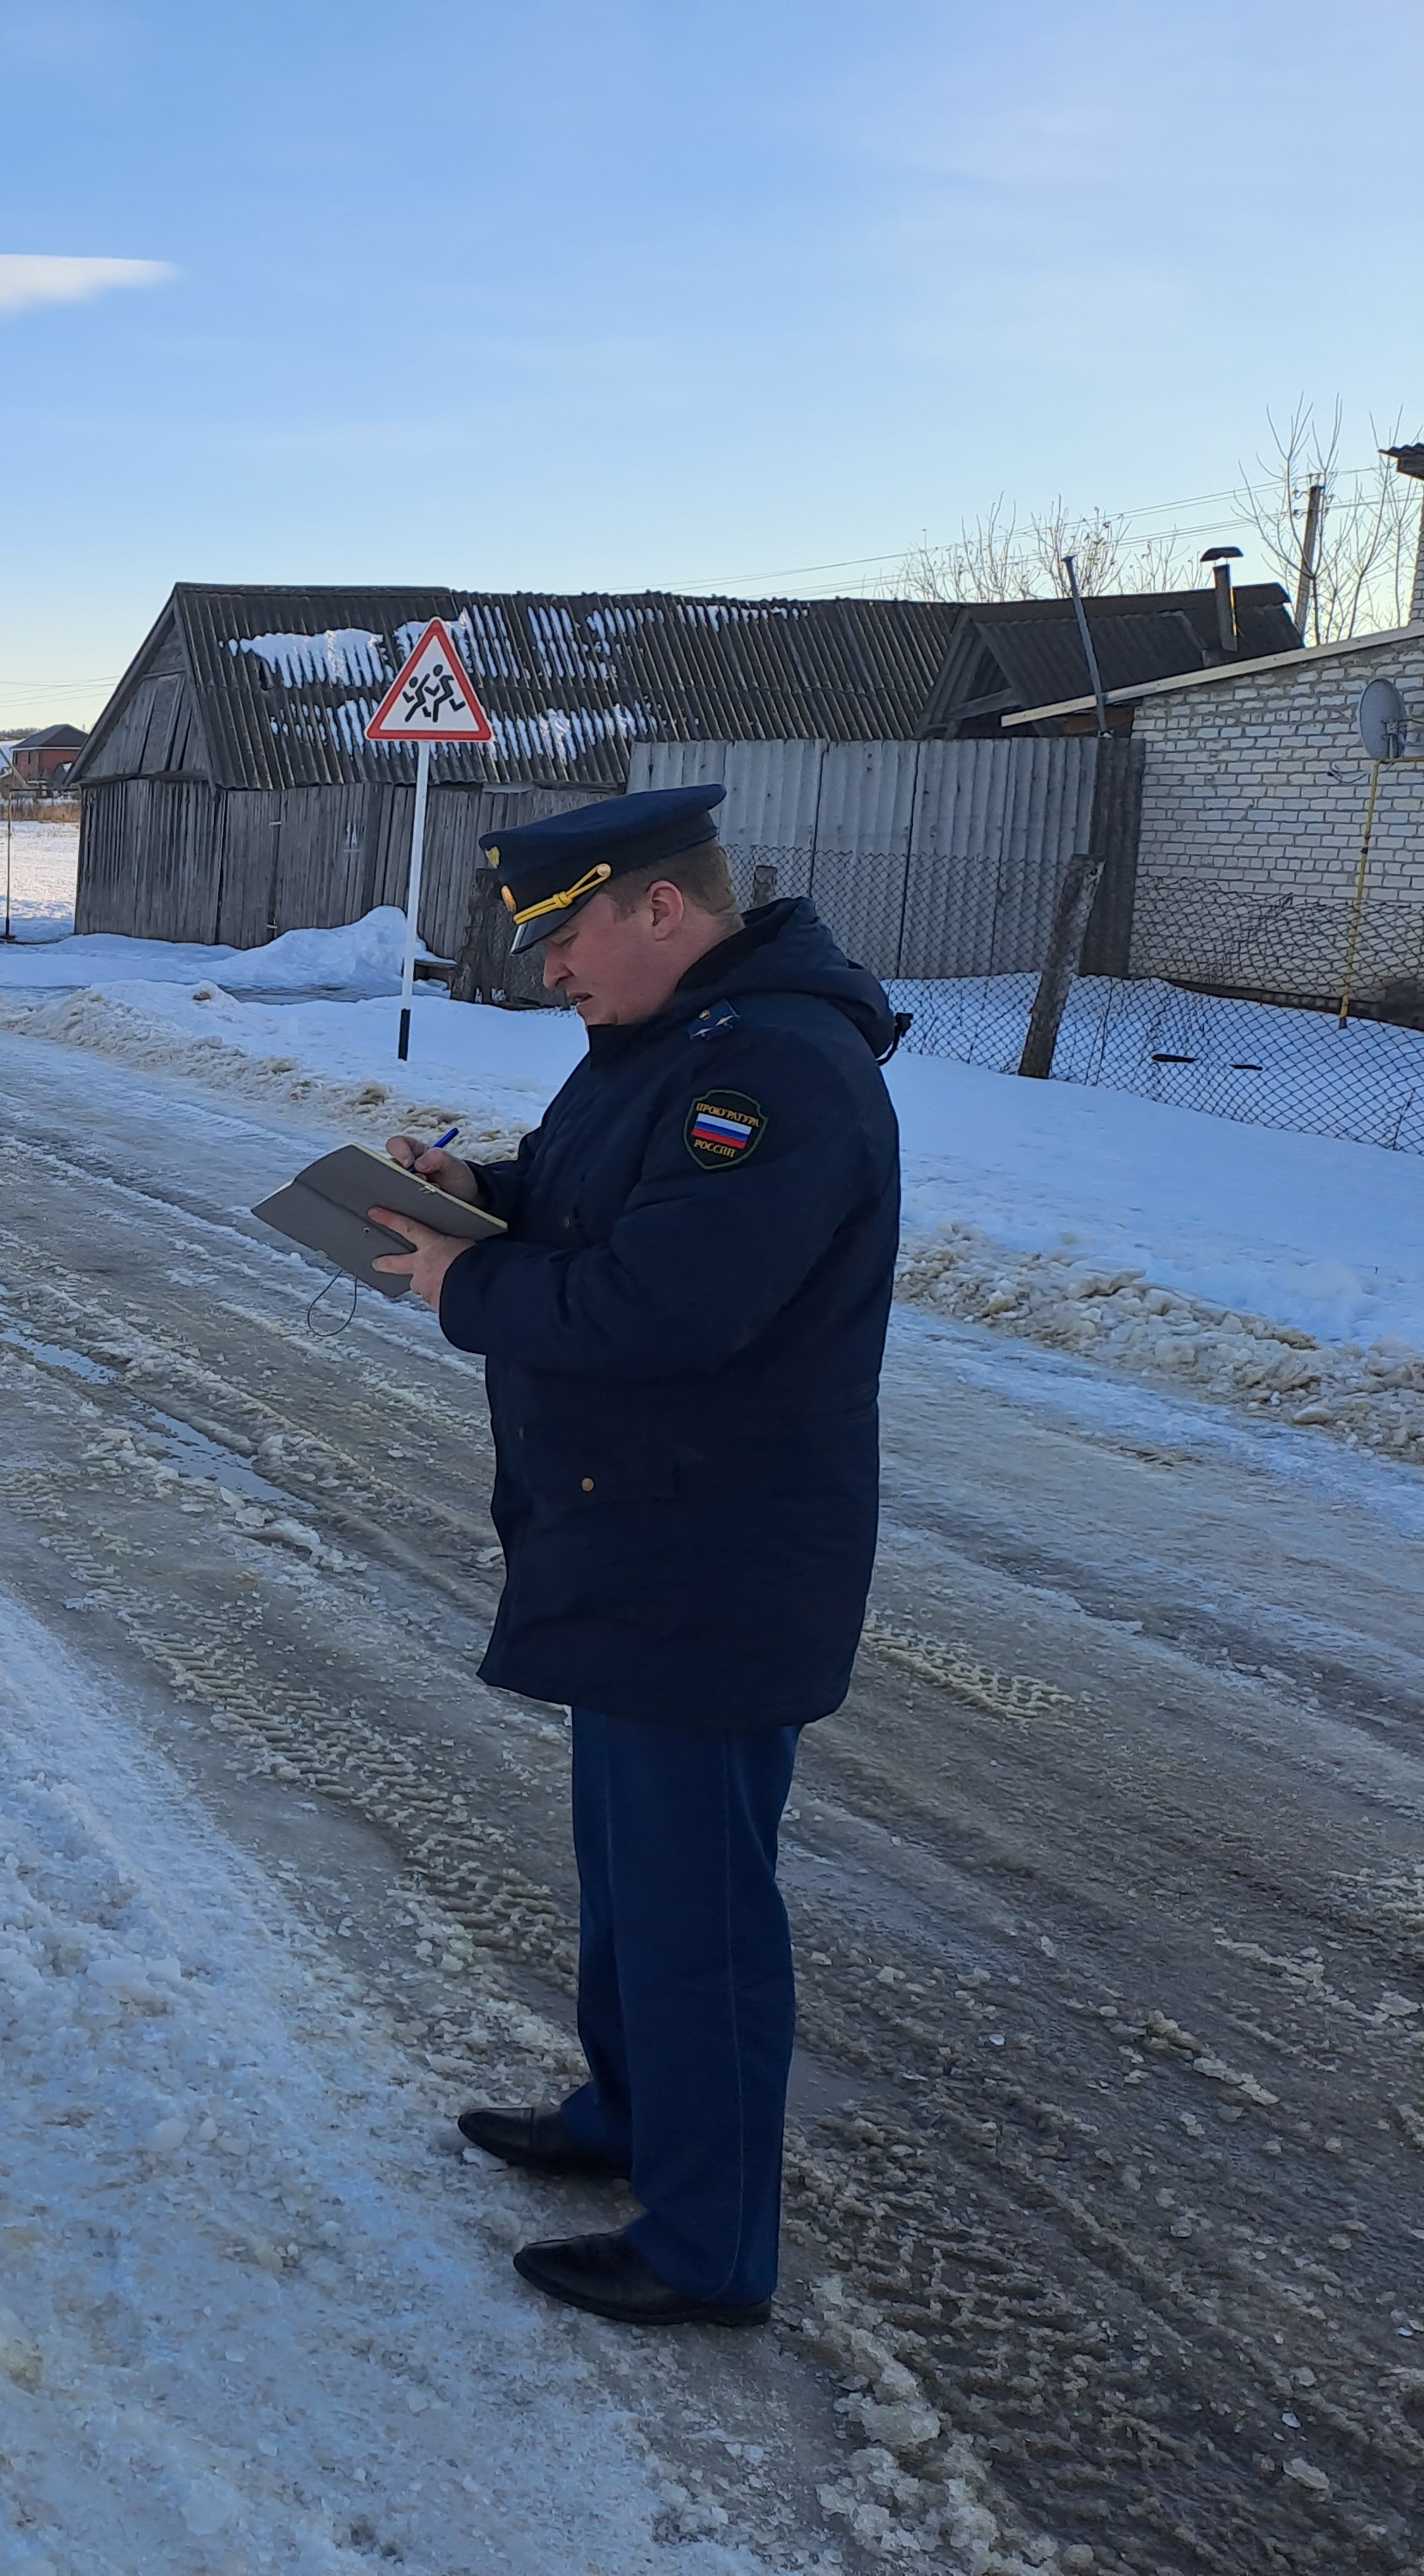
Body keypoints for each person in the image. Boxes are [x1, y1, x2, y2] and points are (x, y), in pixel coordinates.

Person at [362, 782, 900, 2330]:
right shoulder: (674, 1048)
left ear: (661, 908)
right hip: (635, 1533)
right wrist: (485, 1198)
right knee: (629, 1876)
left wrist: (467, 1286)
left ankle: (710, 2243)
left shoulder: (778, 1074)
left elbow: (668, 1302)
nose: (547, 974)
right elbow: (601, 1202)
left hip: (714, 1557)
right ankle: (629, 2118)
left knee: (700, 1913)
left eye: (562, 936)